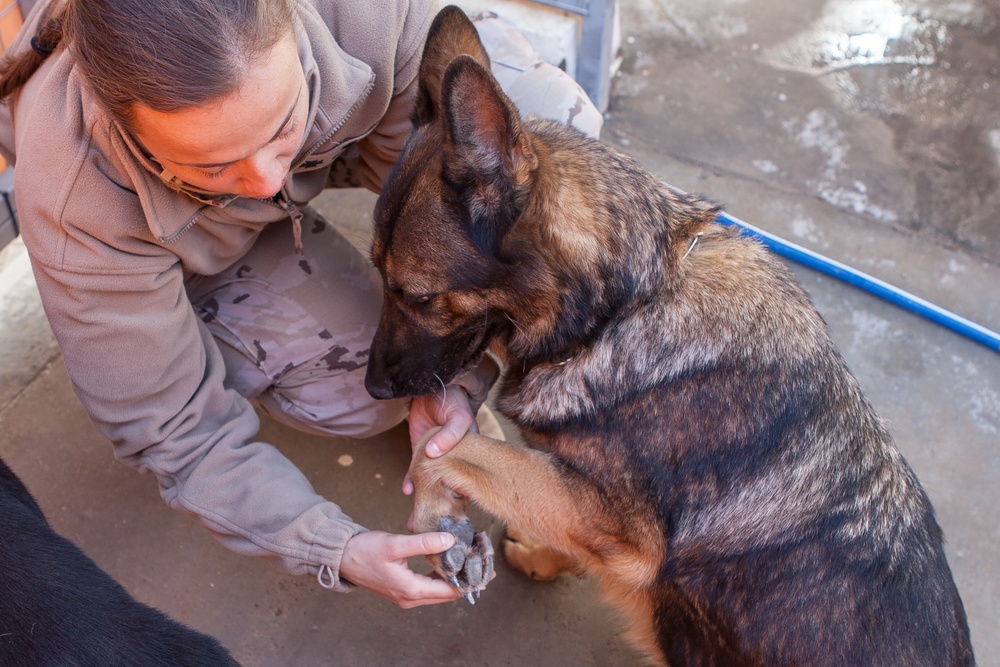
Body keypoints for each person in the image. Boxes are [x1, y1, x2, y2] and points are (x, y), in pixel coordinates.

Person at [0, 0, 601, 608]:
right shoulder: (76, 201)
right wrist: (331, 547)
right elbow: (177, 431)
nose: (266, 180)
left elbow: (459, 238)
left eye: (282, 124)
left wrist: (453, 370)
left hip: (350, 112)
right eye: (213, 163)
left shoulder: (371, 16)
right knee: (362, 400)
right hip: (185, 231)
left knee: (551, 165)